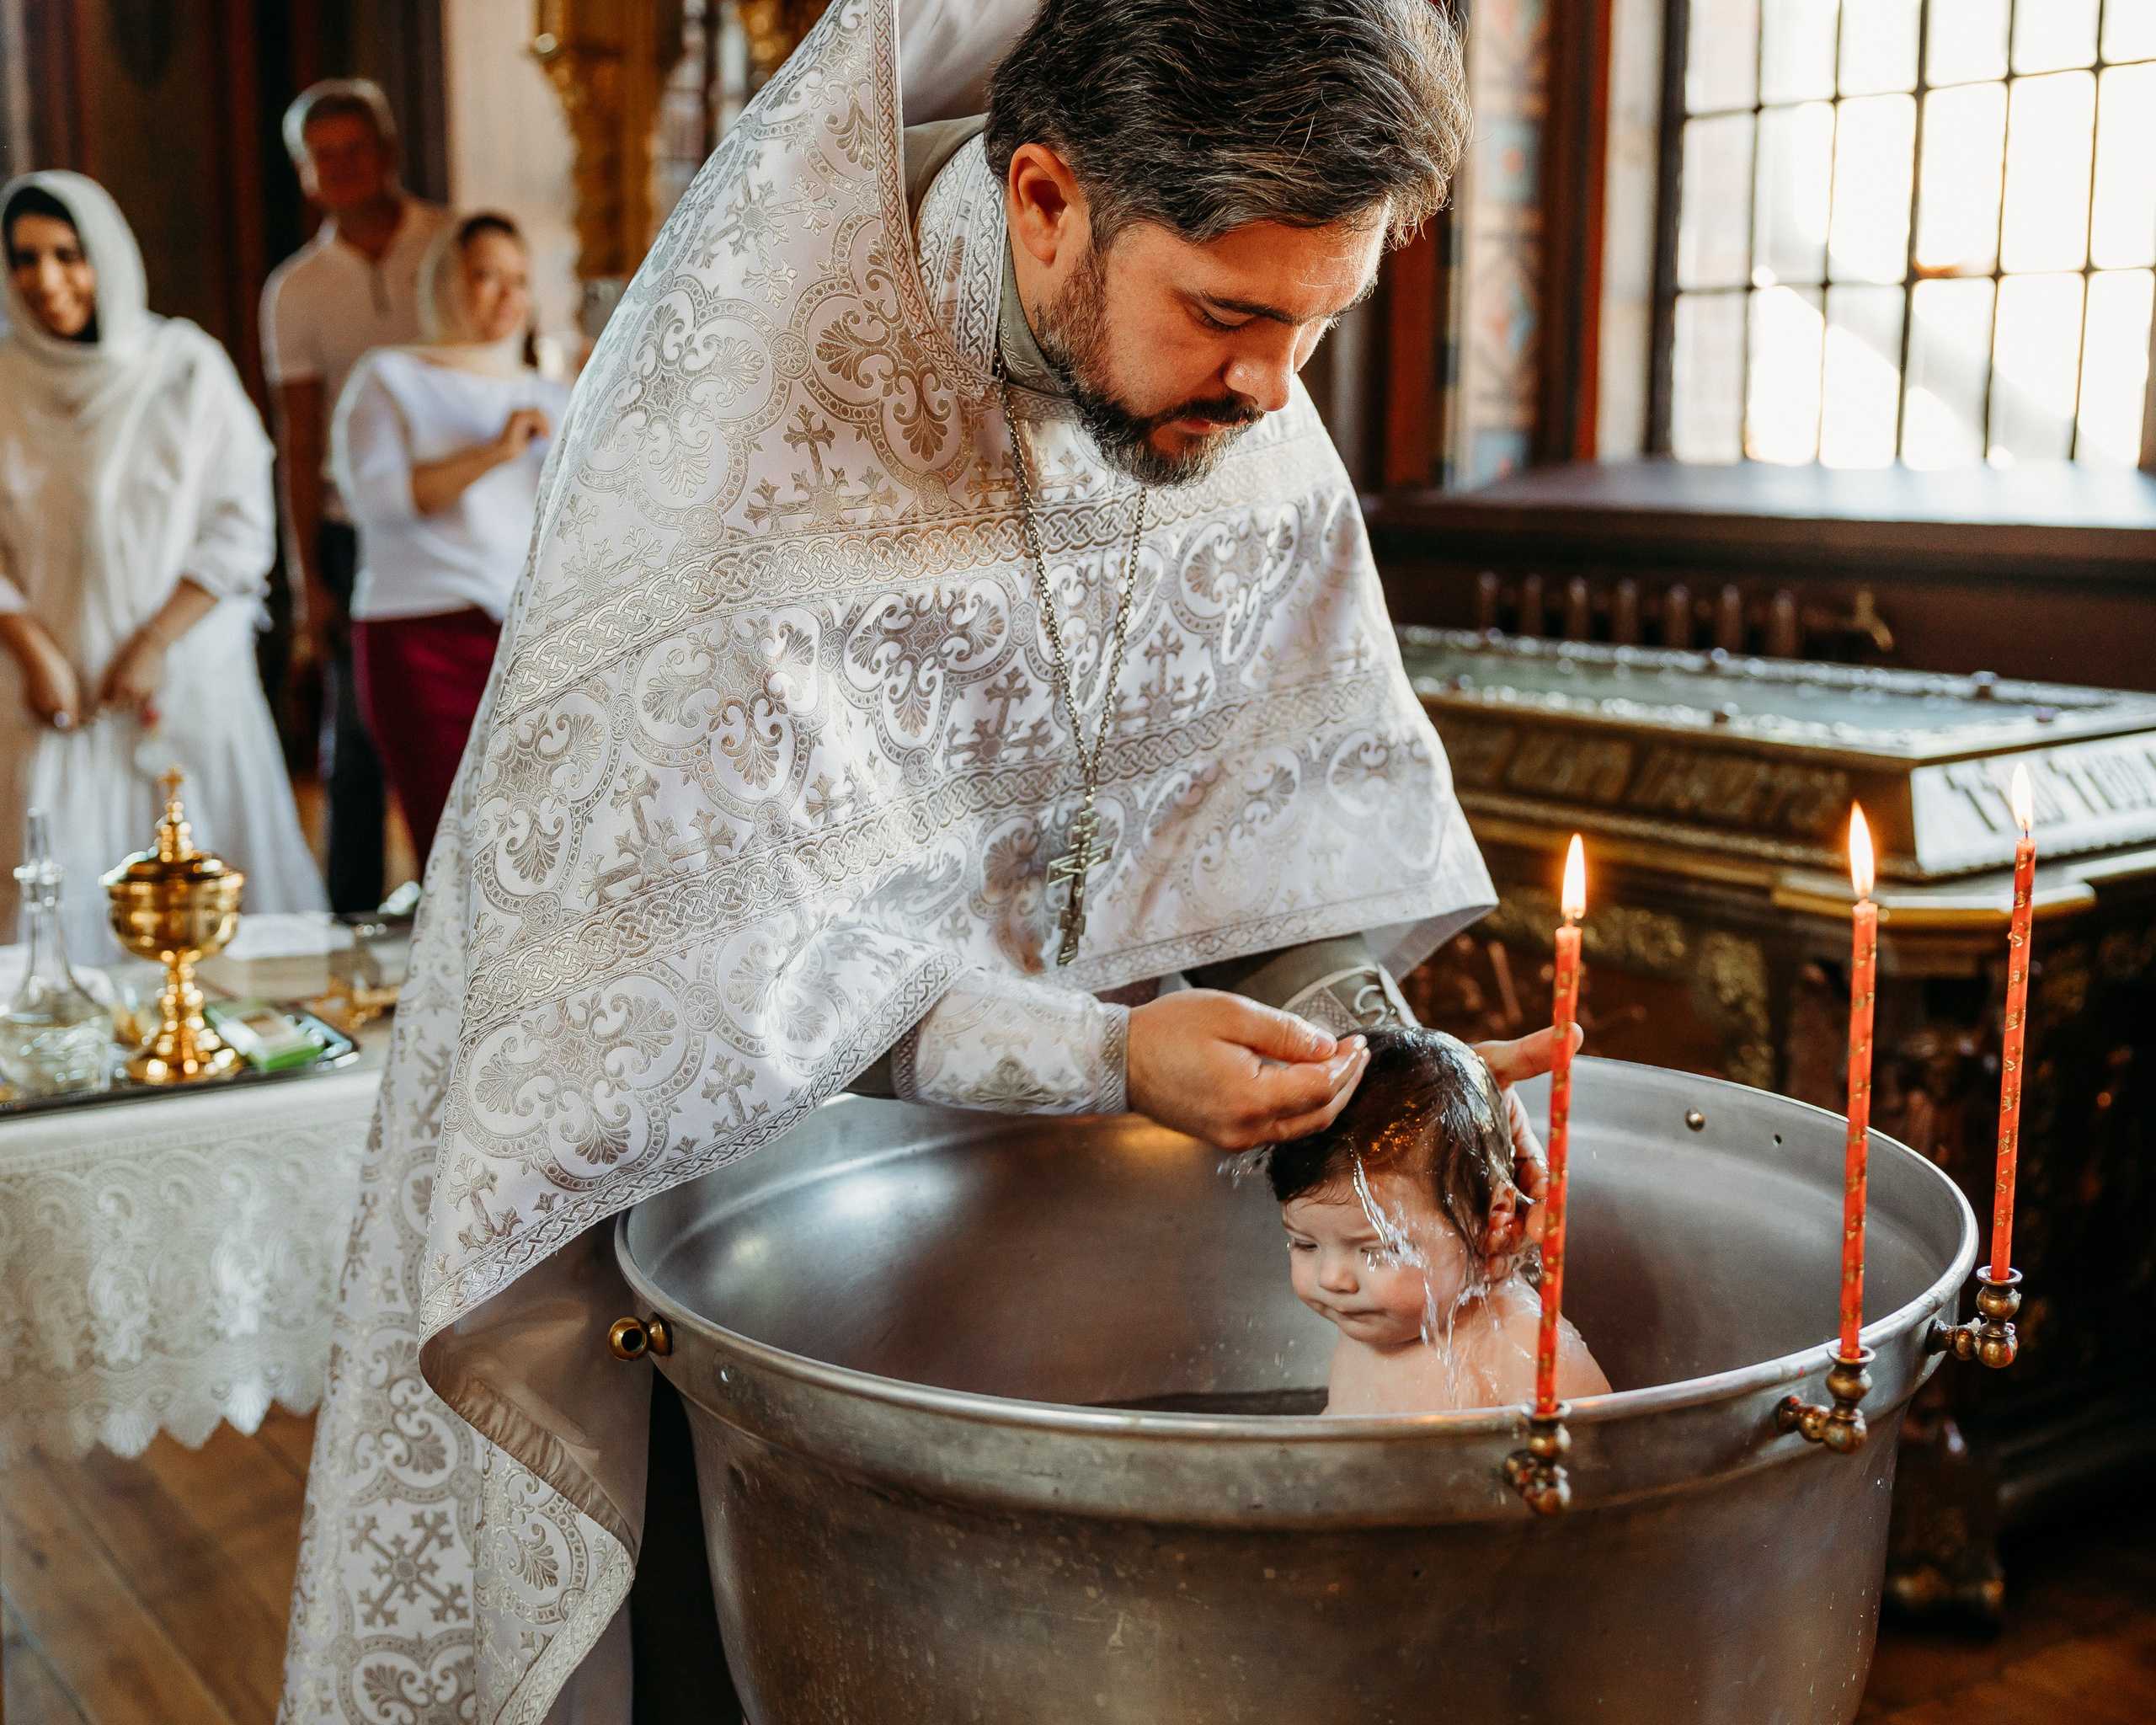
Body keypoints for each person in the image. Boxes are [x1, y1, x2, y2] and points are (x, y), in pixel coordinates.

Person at [283, 4, 1556, 1722]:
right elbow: (707, 986)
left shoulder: (1246, 407)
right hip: (751, 1279)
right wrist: (1105, 1048)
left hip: (1081, 1287)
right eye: (1230, 313)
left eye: (1320, 323)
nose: (1273, 386)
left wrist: (1381, 1057)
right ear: (1045, 199)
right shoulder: (746, 441)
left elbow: (1288, 833)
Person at [0, 173, 325, 959]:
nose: (46, 281)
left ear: (105, 256)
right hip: (50, 686)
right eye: (25, 259)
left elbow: (242, 525)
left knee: (214, 912)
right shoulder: (4, 378)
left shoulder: (183, 366)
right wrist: (34, 650)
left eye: (68, 255)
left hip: (179, 673)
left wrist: (153, 644)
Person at [262, 79, 451, 911]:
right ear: (306, 174)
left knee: (456, 730)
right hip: (355, 536)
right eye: (323, 156)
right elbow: (300, 441)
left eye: (355, 148)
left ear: (388, 151)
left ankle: (461, 919)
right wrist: (310, 585)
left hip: (458, 523)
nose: (342, 168)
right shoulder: (296, 290)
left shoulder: (449, 246)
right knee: (356, 751)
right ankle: (349, 936)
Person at [333, 212, 568, 869]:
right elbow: (380, 504)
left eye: (520, 281)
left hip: (526, 639)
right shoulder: (389, 378)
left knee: (531, 844)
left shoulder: (551, 393)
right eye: (486, 275)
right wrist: (494, 452)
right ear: (444, 283)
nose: (506, 296)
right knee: (453, 846)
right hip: (418, 637)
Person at [1271, 1027, 1609, 1416]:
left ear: (1493, 1219)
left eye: (1380, 1250)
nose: (1331, 1278)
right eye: (1304, 1244)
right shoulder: (1375, 1318)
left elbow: (1596, 1464)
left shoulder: (1525, 1350)